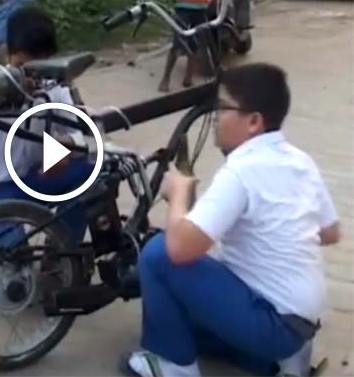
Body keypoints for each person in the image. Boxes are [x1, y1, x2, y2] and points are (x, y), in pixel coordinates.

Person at [124, 63, 340, 377]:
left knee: (158, 253)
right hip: (300, 321)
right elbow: (330, 232)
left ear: (253, 121)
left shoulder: (241, 171)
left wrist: (179, 193)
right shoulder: (299, 160)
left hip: (271, 322)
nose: (215, 118)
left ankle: (172, 367)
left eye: (223, 108)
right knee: (187, 315)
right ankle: (279, 361)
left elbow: (179, 249)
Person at [0, 6, 92, 271]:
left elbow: (85, 136)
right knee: (15, 261)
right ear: (7, 54)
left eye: (41, 70)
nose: (32, 80)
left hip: (37, 177)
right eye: (22, 68)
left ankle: (62, 257)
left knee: (93, 178)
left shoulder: (54, 86)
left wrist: (66, 149)